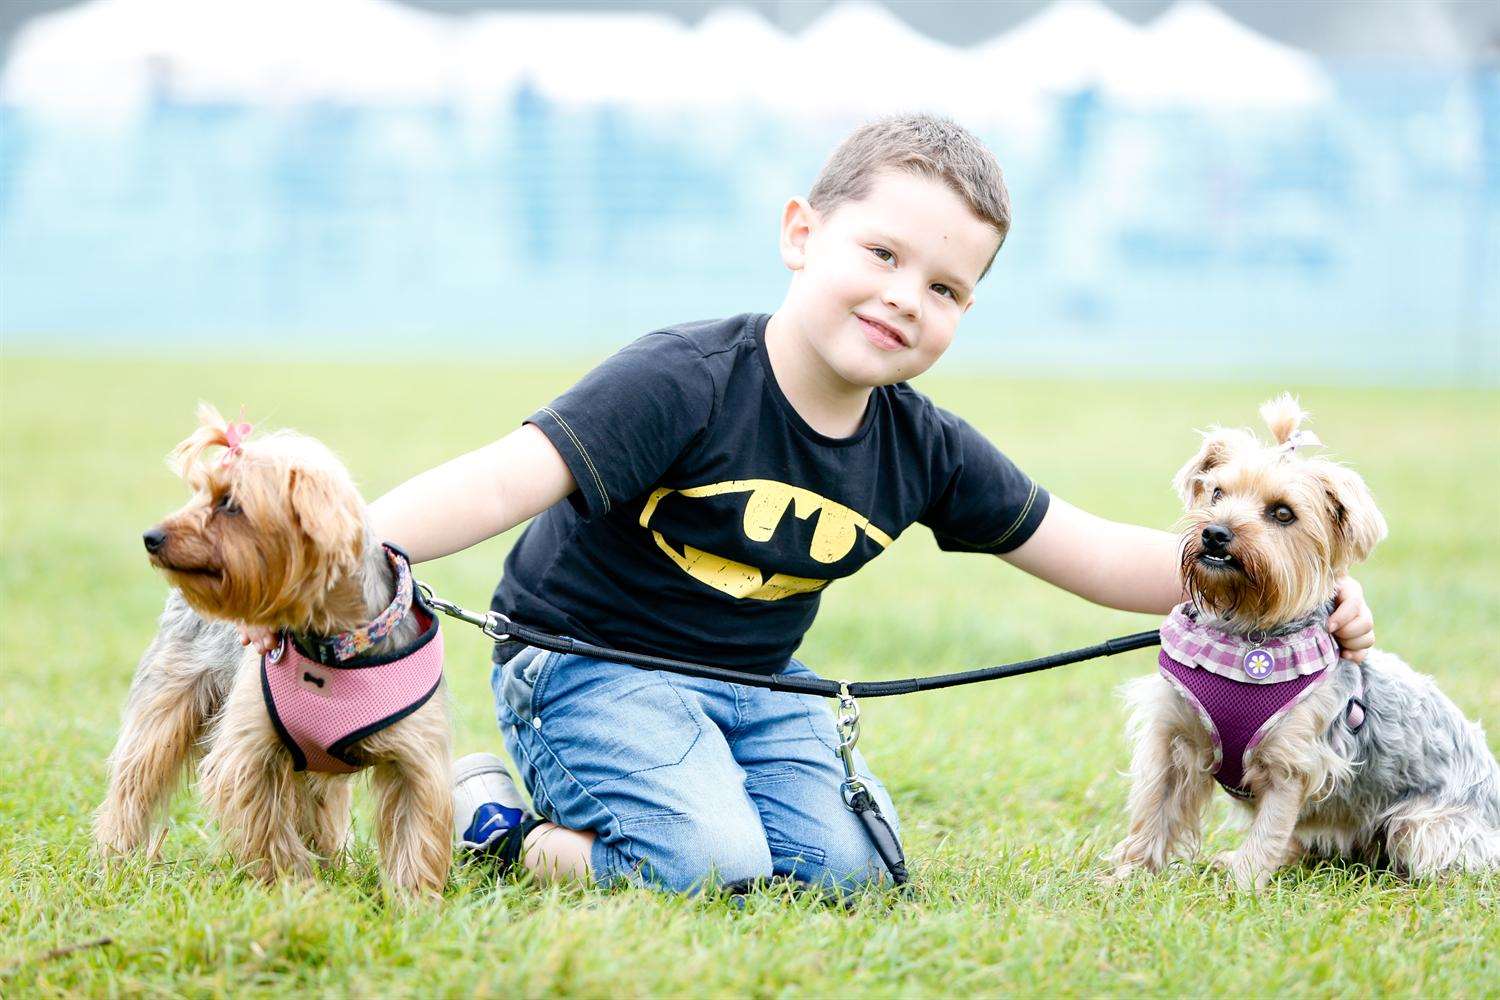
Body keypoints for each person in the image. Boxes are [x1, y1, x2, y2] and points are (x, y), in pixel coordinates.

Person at [242, 115, 1376, 895]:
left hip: (753, 688)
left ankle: (692, 784)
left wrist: (1303, 597)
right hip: (585, 666)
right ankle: (500, 824)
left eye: (945, 288)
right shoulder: (683, 379)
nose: (904, 297)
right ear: (801, 235)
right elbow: (502, 477)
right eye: (880, 252)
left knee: (851, 873)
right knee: (703, 867)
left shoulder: (920, 445)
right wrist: (345, 548)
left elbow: (1098, 553)